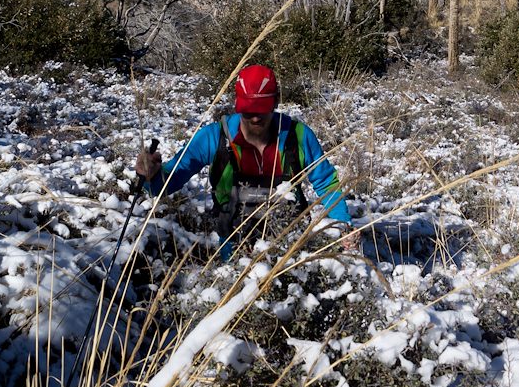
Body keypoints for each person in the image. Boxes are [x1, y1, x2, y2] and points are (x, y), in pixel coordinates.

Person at [135, 64, 358, 258]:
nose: (255, 117)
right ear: (237, 103)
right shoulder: (214, 137)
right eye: (248, 109)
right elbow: (166, 183)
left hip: (290, 248)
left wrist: (343, 226)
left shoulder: (298, 136)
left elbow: (326, 184)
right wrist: (150, 175)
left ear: (276, 101)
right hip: (230, 250)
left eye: (261, 109)